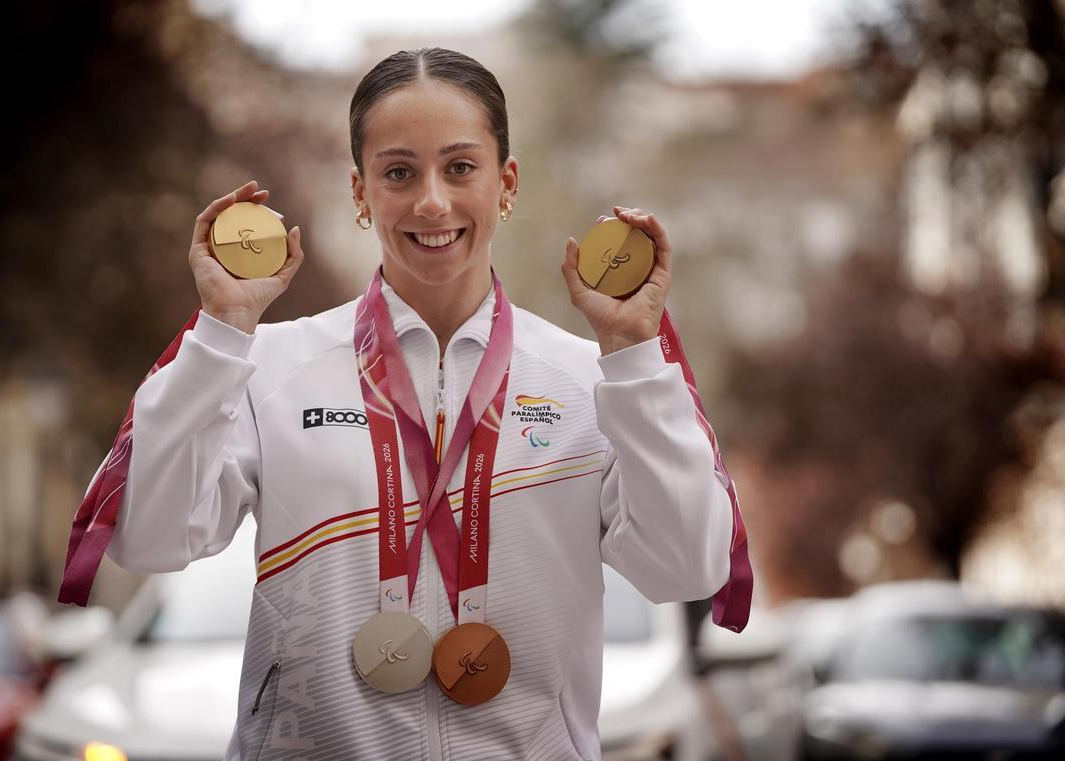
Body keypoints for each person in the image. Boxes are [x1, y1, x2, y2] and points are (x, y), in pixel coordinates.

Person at [60, 47, 750, 760]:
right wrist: (218, 337)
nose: (431, 200)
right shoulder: (266, 365)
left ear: (505, 183)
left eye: (460, 167)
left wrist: (637, 358)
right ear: (360, 192)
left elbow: (687, 568)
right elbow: (151, 537)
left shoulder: (592, 379)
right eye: (398, 172)